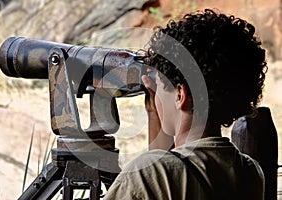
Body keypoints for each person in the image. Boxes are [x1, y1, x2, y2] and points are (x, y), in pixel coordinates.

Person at [104, 8, 267, 200]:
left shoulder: (144, 175)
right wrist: (155, 109)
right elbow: (173, 168)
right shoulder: (250, 171)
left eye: (159, 85)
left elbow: (163, 173)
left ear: (180, 94)